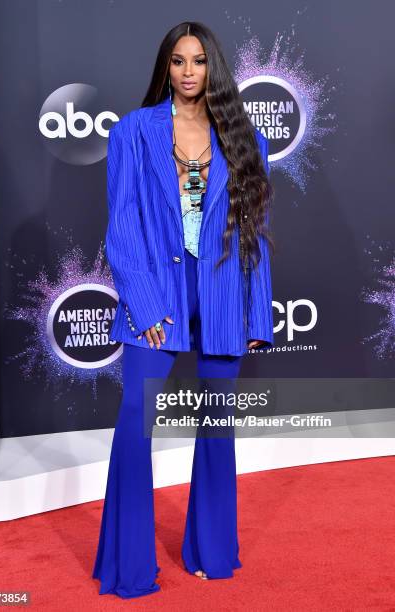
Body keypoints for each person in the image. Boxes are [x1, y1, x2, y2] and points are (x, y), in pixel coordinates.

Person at [92, 21, 274, 599]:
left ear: (212, 66)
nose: (188, 71)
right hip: (156, 298)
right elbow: (121, 231)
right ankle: (129, 566)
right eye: (178, 61)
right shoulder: (133, 133)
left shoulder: (245, 137)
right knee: (133, 429)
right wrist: (144, 306)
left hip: (222, 293)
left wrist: (255, 315)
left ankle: (211, 553)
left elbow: (255, 235)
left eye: (198, 61)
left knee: (216, 428)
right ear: (165, 68)